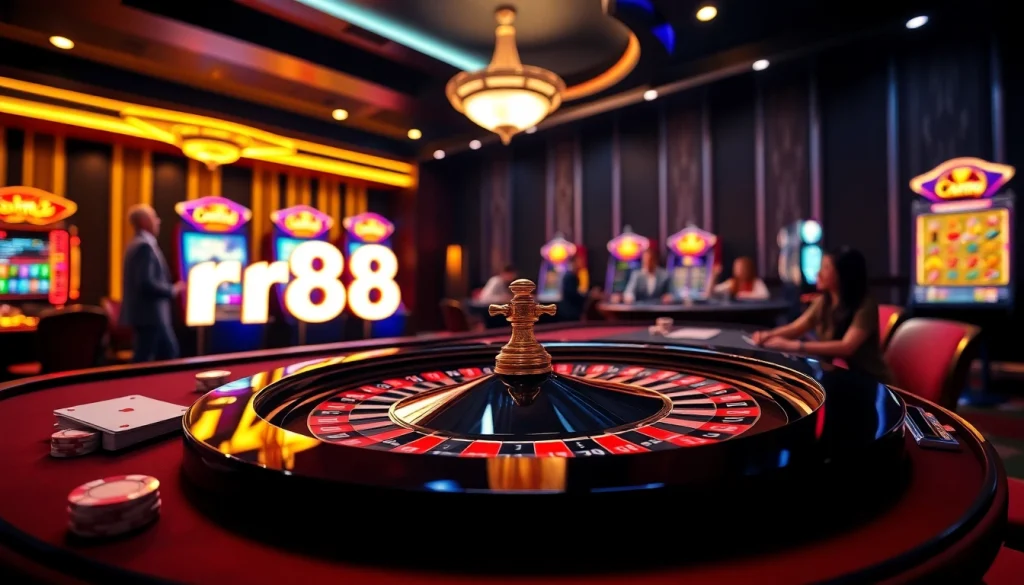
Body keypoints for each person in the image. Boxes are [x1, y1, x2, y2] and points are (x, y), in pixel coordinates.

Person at [751, 247, 893, 383]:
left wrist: (794, 346)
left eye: (826, 268)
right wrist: (768, 335)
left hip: (871, 383)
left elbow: (847, 347)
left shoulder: (865, 304)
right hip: (839, 377)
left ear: (844, 274)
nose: (818, 274)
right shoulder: (824, 301)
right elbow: (796, 327)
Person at [120, 204, 184, 362]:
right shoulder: (144, 245)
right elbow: (146, 283)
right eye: (154, 217)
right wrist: (173, 290)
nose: (158, 221)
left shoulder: (136, 243)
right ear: (143, 221)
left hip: (145, 315)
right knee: (165, 354)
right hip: (151, 315)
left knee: (149, 357)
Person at [557, 255, 588, 321]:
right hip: (569, 311)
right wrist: (586, 296)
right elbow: (572, 294)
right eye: (578, 262)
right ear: (573, 263)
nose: (580, 264)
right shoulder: (570, 276)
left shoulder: (572, 275)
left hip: (570, 310)